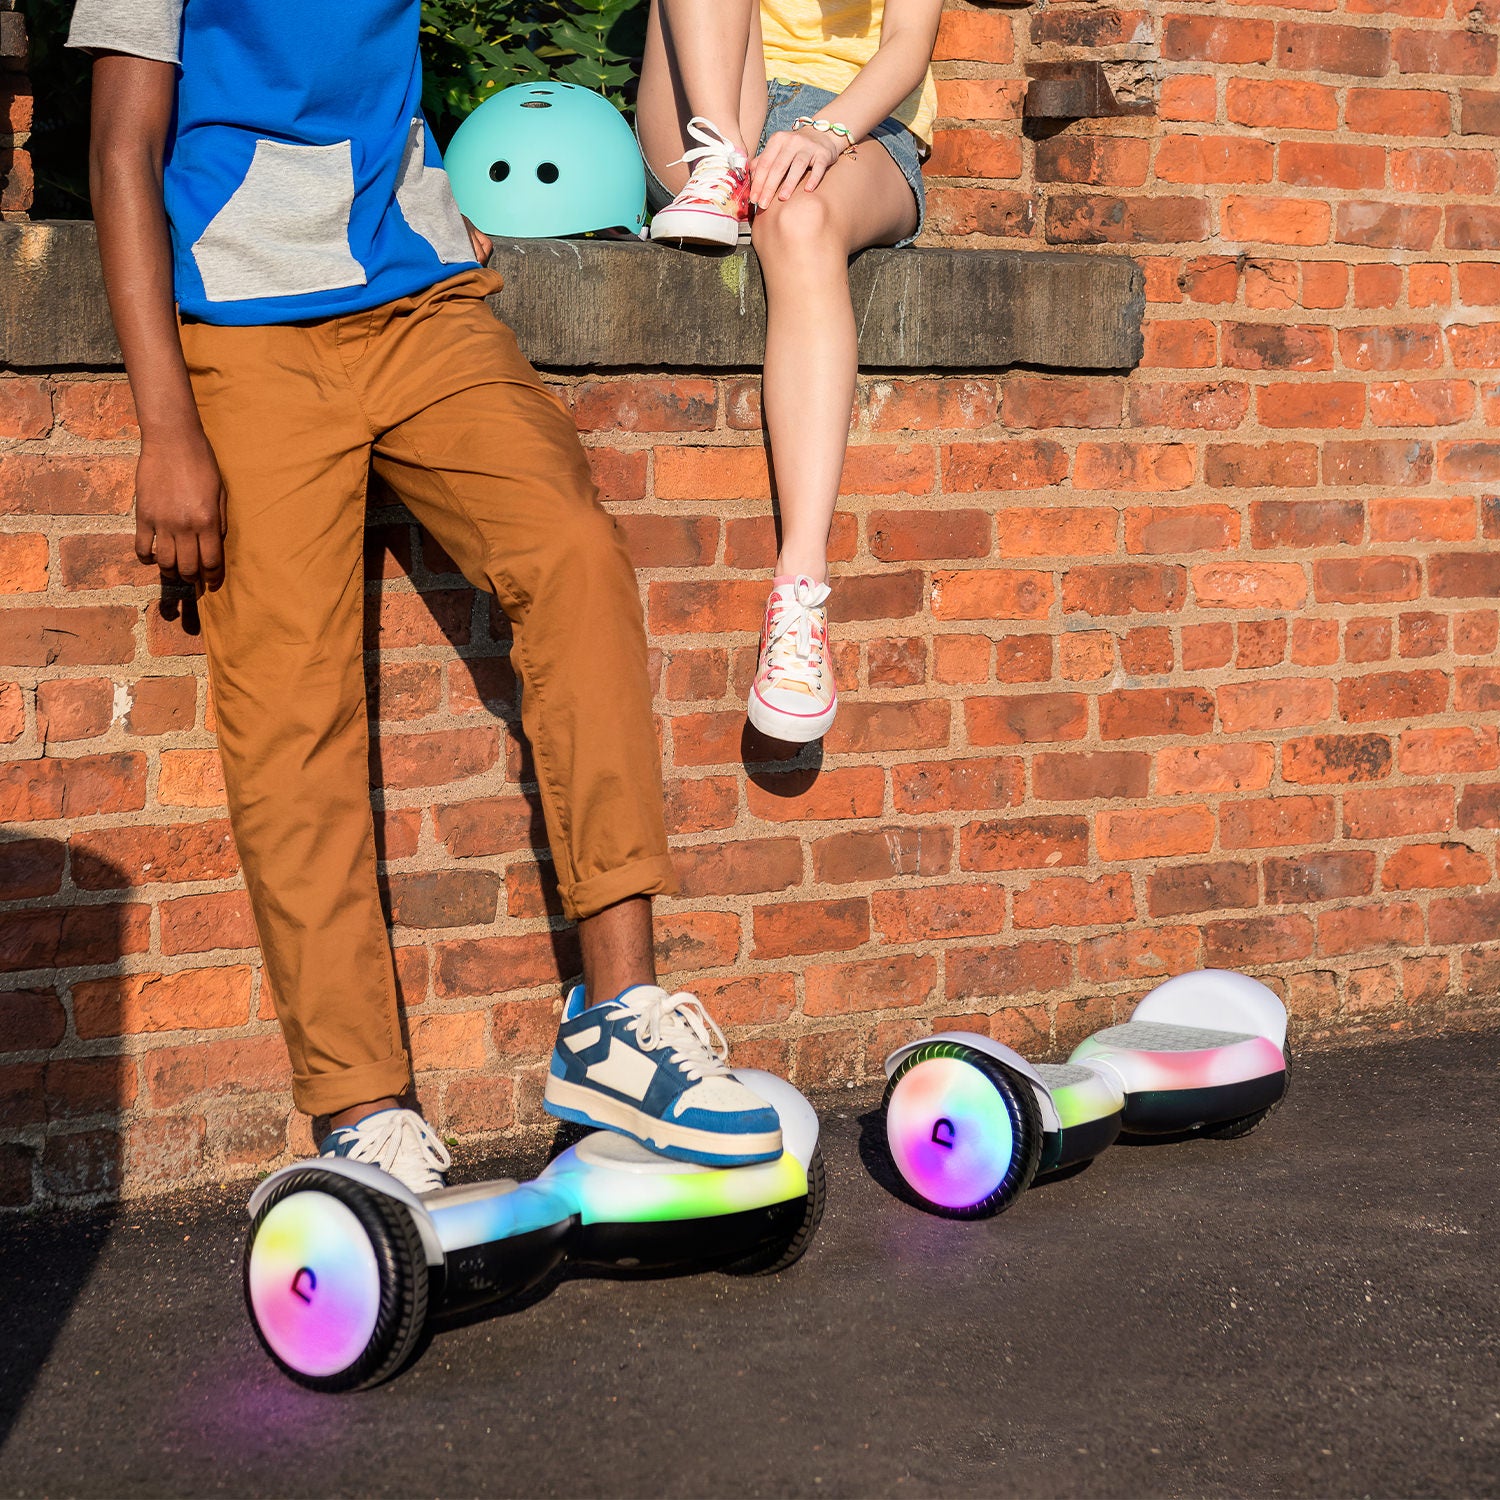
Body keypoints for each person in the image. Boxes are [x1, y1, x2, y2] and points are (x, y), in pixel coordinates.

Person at [68, 0, 782, 1195]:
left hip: (420, 294)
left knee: (572, 555)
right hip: (244, 325)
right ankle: (363, 1109)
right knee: (293, 703)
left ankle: (618, 1017)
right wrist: (163, 423)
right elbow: (118, 152)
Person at [637, 0, 942, 744]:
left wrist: (826, 131)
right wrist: (725, 136)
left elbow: (908, 43)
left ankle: (800, 599)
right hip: (703, 96)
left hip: (852, 119)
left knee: (799, 221)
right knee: (737, 158)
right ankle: (717, 165)